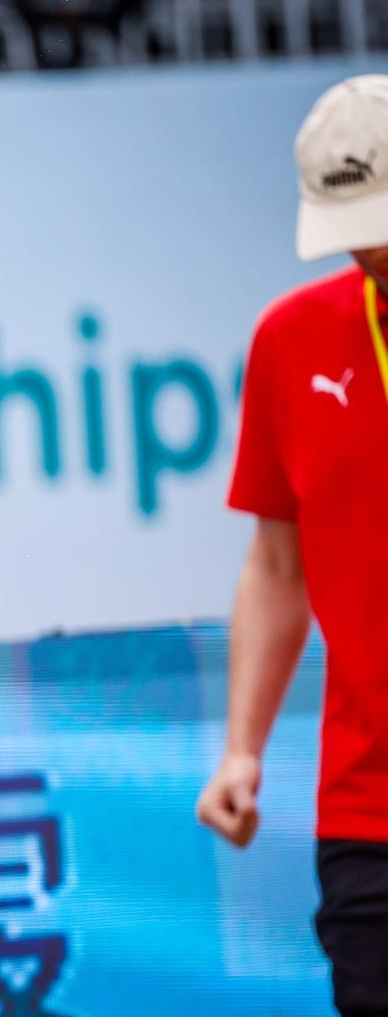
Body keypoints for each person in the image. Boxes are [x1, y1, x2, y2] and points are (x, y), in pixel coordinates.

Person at [195, 73, 388, 1017]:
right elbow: (279, 564)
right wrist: (242, 749)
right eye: (356, 226)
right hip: (368, 811)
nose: (371, 248)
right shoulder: (292, 337)